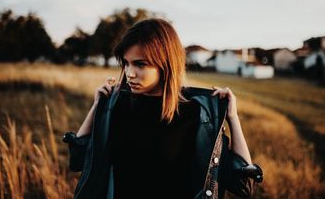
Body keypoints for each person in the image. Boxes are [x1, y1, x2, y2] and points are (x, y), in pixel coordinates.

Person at [63, 19, 263, 199]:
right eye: (126, 63)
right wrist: (98, 106)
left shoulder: (198, 114)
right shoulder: (116, 106)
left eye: (140, 64)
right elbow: (78, 161)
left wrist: (233, 118)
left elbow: (243, 185)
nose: (129, 73)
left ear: (165, 64)